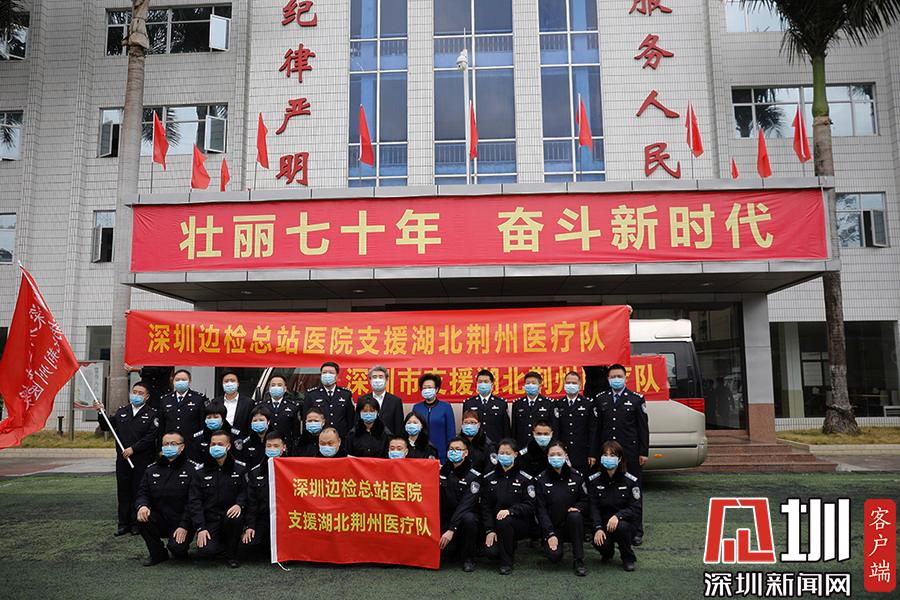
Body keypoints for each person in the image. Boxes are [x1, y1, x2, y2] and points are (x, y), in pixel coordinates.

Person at [591, 363, 649, 546]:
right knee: (606, 489)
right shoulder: (601, 399)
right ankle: (604, 525)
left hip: (630, 453)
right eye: (613, 377)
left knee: (634, 489)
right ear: (608, 379)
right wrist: (594, 453)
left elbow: (643, 428)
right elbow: (596, 429)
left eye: (619, 376)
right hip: (607, 454)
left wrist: (643, 452)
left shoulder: (636, 399)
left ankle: (636, 530)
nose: (616, 379)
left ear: (625, 378)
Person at [97, 381, 159, 536]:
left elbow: (151, 436)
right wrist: (101, 412)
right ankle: (123, 524)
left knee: (139, 490)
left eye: (140, 393)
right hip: (123, 461)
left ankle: (136, 523)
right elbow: (106, 426)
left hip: (142, 460)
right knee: (123, 491)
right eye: (134, 392)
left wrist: (133, 449)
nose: (136, 395)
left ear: (147, 397)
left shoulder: (152, 414)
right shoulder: (122, 412)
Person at [187, 430, 247, 568]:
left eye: (220, 444)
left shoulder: (240, 469)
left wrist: (239, 504)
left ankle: (232, 555)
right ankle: (221, 546)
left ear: (228, 446)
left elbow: (245, 492)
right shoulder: (200, 472)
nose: (215, 447)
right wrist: (201, 527)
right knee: (206, 552)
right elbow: (195, 501)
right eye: (213, 444)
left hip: (229, 518)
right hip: (210, 520)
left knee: (236, 518)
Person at [134, 431, 193, 565]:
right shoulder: (151, 469)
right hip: (160, 518)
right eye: (166, 444)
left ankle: (179, 546)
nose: (169, 446)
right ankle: (158, 553)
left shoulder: (192, 469)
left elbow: (194, 502)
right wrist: (142, 506)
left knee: (178, 550)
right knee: (142, 517)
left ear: (182, 447)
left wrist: (184, 525)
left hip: (183, 521)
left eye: (173, 444)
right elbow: (142, 493)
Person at [481, 438, 535, 575]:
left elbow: (530, 505)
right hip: (495, 525)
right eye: (501, 453)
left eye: (508, 453)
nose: (504, 456)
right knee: (491, 553)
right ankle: (506, 545)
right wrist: (489, 530)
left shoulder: (525, 479)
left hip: (519, 523)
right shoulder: (489, 478)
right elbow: (485, 507)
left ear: (515, 454)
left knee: (505, 520)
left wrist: (511, 511)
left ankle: (506, 562)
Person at [535, 441, 589, 576]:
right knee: (554, 557)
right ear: (547, 457)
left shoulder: (576, 476)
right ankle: (550, 543)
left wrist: (578, 507)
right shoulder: (541, 480)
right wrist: (550, 533)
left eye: (559, 454)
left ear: (566, 456)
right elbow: (541, 510)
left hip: (572, 525)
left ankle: (579, 560)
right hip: (553, 527)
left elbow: (585, 500)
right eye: (552, 454)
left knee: (575, 516)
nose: (556, 457)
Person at [587, 441, 642, 572]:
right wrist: (598, 528)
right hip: (604, 524)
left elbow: (635, 508)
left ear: (620, 458)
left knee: (621, 527)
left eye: (612, 455)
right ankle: (608, 552)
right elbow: (593, 508)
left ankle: (627, 557)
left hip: (624, 524)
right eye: (605, 455)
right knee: (600, 542)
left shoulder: (630, 481)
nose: (608, 458)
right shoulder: (594, 481)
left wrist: (618, 516)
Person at [439, 437, 481, 572]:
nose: (454, 452)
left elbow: (465, 506)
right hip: (446, 518)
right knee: (444, 552)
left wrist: (451, 529)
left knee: (469, 518)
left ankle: (469, 558)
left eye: (458, 449)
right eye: (451, 449)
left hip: (463, 519)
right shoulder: (441, 472)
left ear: (466, 453)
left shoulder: (473, 476)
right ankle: (455, 550)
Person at [242, 431, 287, 555]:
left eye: (276, 446)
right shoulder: (256, 472)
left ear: (284, 447)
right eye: (269, 446)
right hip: (264, 518)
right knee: (248, 547)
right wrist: (250, 526)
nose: (272, 449)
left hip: (287, 519)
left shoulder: (293, 470)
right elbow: (252, 503)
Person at [555, 370, 597, 475]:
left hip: (583, 453)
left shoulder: (588, 403)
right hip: (563, 453)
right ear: (564, 385)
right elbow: (556, 430)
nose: (571, 385)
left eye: (574, 383)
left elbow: (593, 430)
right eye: (568, 382)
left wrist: (592, 453)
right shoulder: (558, 404)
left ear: (580, 385)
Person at [157, 369, 208, 449]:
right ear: (173, 381)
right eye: (177, 380)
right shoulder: (165, 399)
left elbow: (203, 424)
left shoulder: (199, 398)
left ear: (189, 381)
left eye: (183, 380)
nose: (180, 382)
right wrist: (160, 447)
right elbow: (161, 425)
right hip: (170, 444)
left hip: (192, 443)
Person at [303, 361, 356, 437]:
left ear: (337, 376)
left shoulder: (346, 394)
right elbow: (306, 419)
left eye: (331, 372)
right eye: (324, 373)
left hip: (341, 438)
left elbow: (350, 419)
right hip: (319, 438)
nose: (327, 375)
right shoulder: (311, 394)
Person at [412, 373, 456, 463]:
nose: (427, 390)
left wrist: (450, 452)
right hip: (421, 454)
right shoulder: (417, 407)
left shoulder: (446, 407)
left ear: (436, 389)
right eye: (424, 388)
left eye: (429, 387)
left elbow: (451, 433)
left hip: (442, 453)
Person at [461, 369, 510, 443]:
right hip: (475, 444)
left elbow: (506, 429)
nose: (483, 384)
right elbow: (465, 426)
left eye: (486, 382)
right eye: (480, 382)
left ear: (492, 385)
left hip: (495, 444)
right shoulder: (468, 403)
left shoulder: (501, 403)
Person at [511, 371, 556, 449]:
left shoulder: (549, 403)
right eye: (528, 383)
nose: (530, 385)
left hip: (542, 447)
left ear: (540, 386)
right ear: (524, 386)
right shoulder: (517, 404)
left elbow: (554, 427)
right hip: (522, 447)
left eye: (533, 383)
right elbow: (514, 430)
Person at [356, 365, 404, 435]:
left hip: (388, 439)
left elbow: (398, 426)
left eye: (381, 377)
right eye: (374, 377)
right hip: (366, 438)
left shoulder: (396, 401)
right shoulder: (362, 399)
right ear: (370, 380)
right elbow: (357, 423)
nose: (377, 380)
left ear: (386, 379)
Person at [257, 375, 301, 448]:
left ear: (285, 388)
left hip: (286, 447)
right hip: (265, 446)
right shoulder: (260, 406)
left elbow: (295, 433)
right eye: (273, 385)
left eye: (279, 385)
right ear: (269, 388)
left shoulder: (293, 407)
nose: (276, 387)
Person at [188, 402, 232, 466]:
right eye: (209, 417)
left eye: (216, 417)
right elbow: (194, 460)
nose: (212, 420)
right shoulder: (198, 438)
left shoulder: (234, 435)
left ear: (223, 418)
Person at [213, 371, 255, 438]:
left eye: (232, 381)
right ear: (222, 384)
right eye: (226, 381)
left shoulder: (248, 403)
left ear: (238, 384)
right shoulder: (215, 401)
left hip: (241, 439)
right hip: (219, 439)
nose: (229, 383)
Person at [234, 406, 273, 470]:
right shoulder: (247, 442)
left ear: (268, 422)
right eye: (255, 420)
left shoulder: (276, 439)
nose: (258, 422)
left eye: (261, 420)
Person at [459, 409, 496, 473]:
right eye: (466, 422)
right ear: (462, 425)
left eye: (472, 422)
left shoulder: (488, 445)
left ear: (478, 425)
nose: (469, 425)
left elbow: (490, 469)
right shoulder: (456, 443)